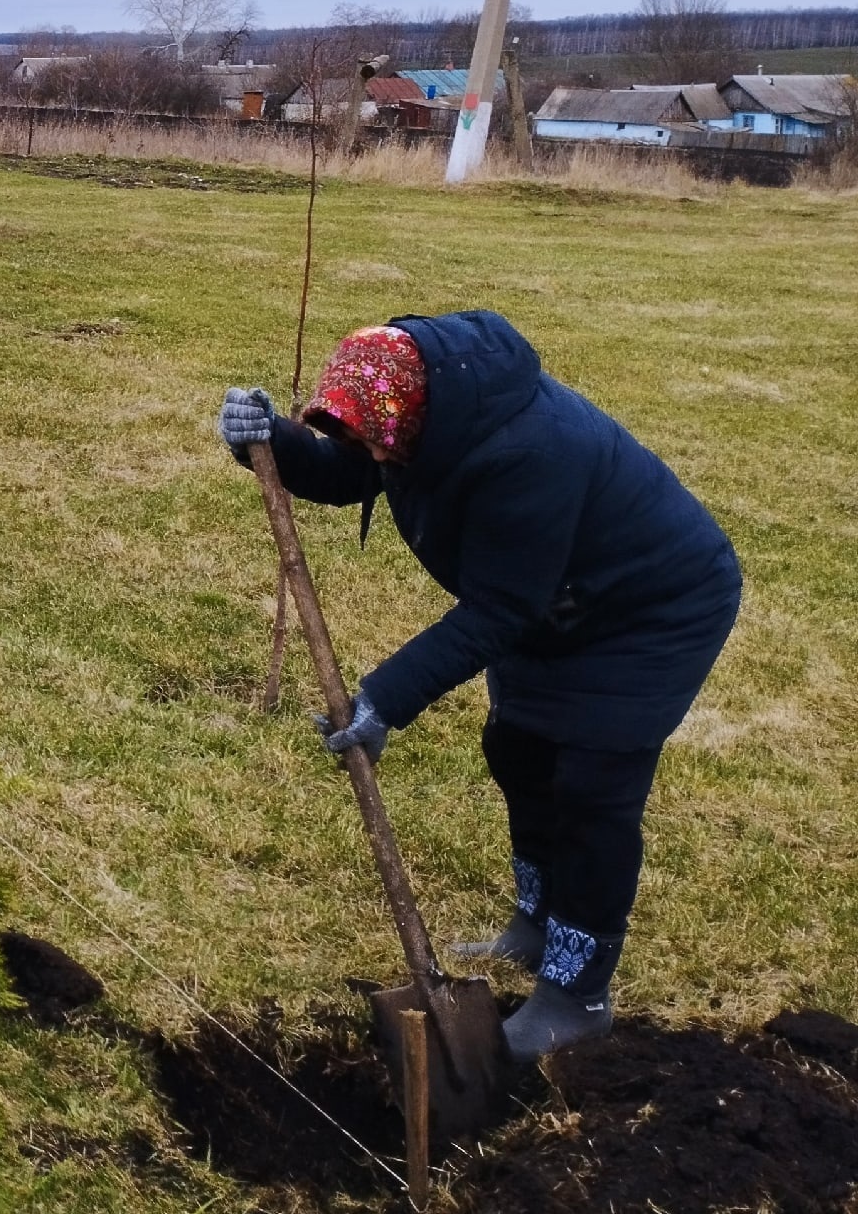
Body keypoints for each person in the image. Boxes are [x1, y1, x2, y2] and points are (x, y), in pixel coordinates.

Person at [218, 313, 741, 1060]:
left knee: (595, 783)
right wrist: (265, 436)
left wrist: (384, 699)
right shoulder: (416, 414)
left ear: (406, 418)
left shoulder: (530, 449)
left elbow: (499, 609)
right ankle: (536, 923)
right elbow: (348, 468)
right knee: (519, 748)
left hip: (651, 608)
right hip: (557, 598)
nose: (369, 454)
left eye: (371, 439)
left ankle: (577, 995)